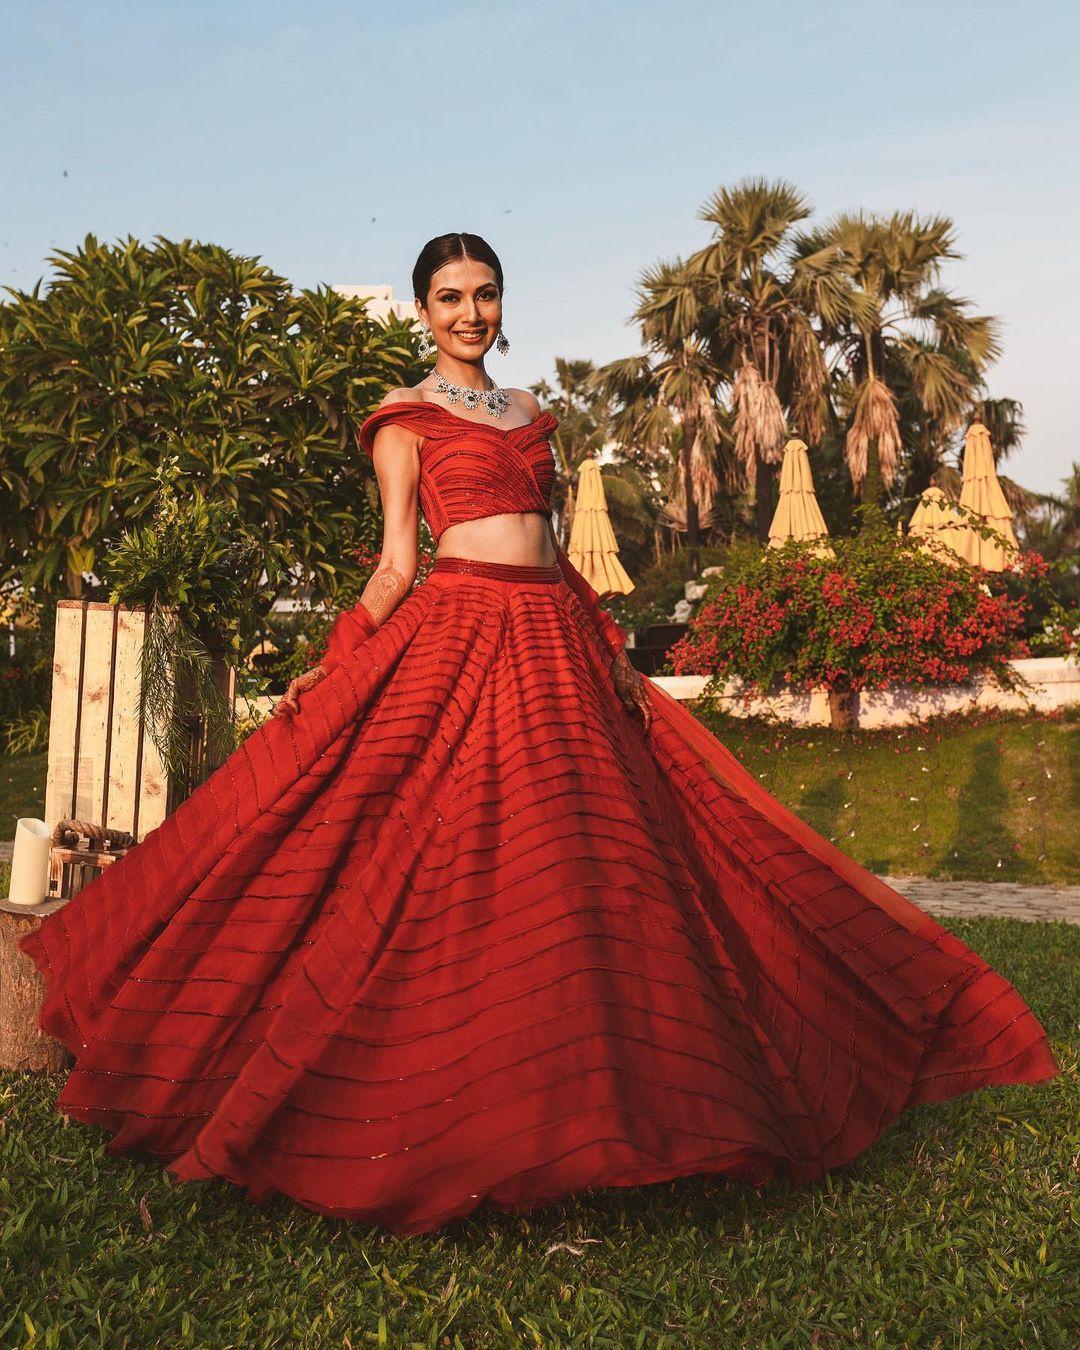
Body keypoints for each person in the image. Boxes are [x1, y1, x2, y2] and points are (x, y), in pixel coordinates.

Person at [20, 232, 1060, 1237]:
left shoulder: (531, 413)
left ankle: (603, 1109)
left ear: (501, 302)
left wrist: (607, 643)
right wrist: (338, 656)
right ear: (423, 310)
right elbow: (396, 561)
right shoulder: (403, 417)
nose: (470, 313)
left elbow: (554, 550)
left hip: (556, 639)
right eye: (449, 298)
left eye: (485, 293)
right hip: (457, 630)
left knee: (593, 865)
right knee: (411, 846)